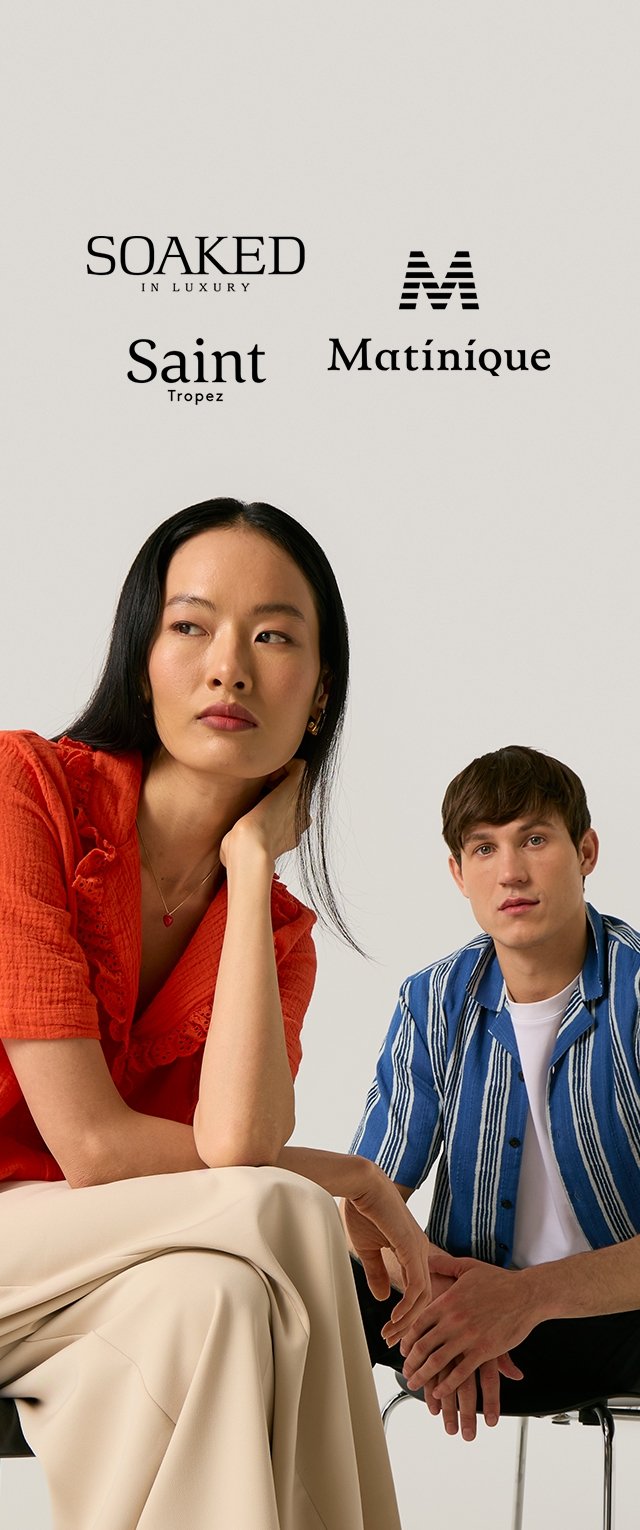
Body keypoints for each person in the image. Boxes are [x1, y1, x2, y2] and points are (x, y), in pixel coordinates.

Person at [0, 497, 430, 1530]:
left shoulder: (274, 935)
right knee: (283, 1213)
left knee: (223, 1304)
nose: (227, 665)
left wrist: (246, 868)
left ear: (317, 697)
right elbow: (97, 1147)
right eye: (189, 626)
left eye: (271, 635)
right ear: (140, 659)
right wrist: (349, 1172)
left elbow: (232, 1145)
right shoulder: (25, 794)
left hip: (80, 1287)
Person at [349, 744, 640, 1443]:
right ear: (458, 872)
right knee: (284, 1276)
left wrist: (521, 1301)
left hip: (612, 1325)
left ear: (586, 850)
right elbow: (363, 1202)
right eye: (483, 849)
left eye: (534, 839)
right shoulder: (432, 1000)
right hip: (451, 1322)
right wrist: (442, 1300)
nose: (509, 872)